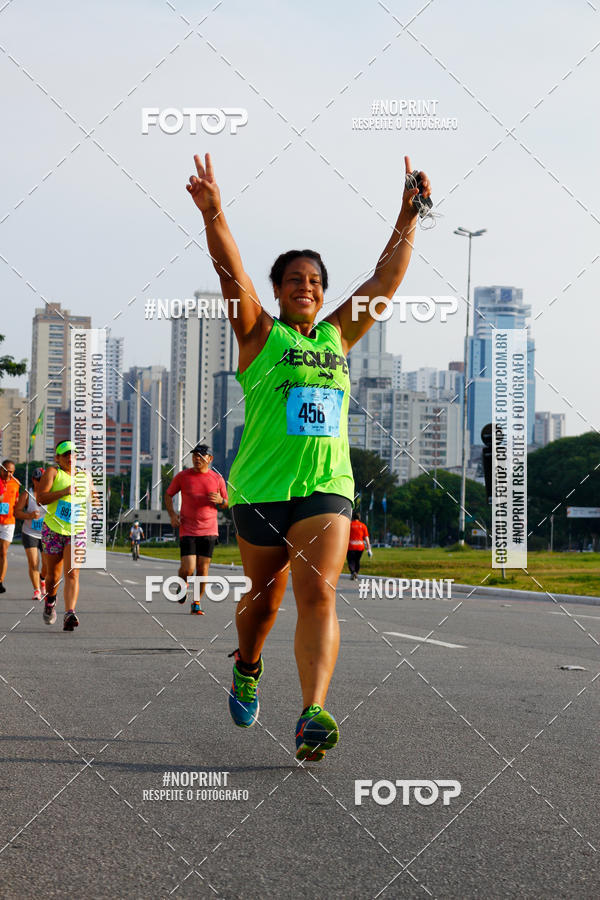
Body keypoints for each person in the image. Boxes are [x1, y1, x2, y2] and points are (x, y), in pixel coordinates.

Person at [186, 152, 430, 760]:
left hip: (326, 485)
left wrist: (408, 216)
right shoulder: (258, 335)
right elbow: (230, 274)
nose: (307, 288)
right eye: (295, 280)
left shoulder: (338, 335)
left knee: (318, 593)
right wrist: (215, 214)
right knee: (263, 603)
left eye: (316, 281)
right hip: (260, 489)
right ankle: (246, 665)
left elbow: (384, 282)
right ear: (277, 290)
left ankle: (312, 711)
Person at [37, 441, 96, 631]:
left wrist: (95, 501)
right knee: (53, 577)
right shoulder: (53, 473)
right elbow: (41, 498)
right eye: (65, 455)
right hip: (54, 529)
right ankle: (50, 601)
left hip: (77, 530)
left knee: (72, 573)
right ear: (58, 458)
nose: (70, 458)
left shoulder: (85, 476)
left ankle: (70, 612)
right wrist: (64, 491)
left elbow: (94, 497)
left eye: (73, 454)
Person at [165, 444, 228, 615]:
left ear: (210, 459)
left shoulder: (217, 479)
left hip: (209, 530)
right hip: (188, 529)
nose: (197, 458)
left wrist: (221, 500)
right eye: (194, 456)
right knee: (188, 568)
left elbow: (227, 503)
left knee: (203, 569)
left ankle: (196, 603)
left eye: (201, 456)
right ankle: (182, 583)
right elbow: (168, 494)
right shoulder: (183, 476)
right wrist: (172, 515)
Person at [14, 468, 48, 600]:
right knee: (34, 562)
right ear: (34, 480)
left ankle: (42, 578)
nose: (42, 483)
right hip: (30, 533)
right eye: (39, 480)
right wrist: (29, 515)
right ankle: (37, 590)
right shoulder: (27, 495)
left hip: (46, 534)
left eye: (45, 480)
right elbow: (16, 512)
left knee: (46, 565)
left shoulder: (51, 494)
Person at [0, 459, 20, 594]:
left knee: (3, 551)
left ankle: (0, 581)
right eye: (6, 471)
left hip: (9, 522)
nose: (8, 474)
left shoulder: (16, 483)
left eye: (11, 472)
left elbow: (17, 501)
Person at [347, 510, 372, 580]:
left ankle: (353, 572)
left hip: (351, 546)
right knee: (357, 560)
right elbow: (366, 538)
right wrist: (369, 549)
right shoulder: (363, 526)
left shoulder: (349, 525)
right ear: (359, 518)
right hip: (360, 547)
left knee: (351, 560)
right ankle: (356, 573)